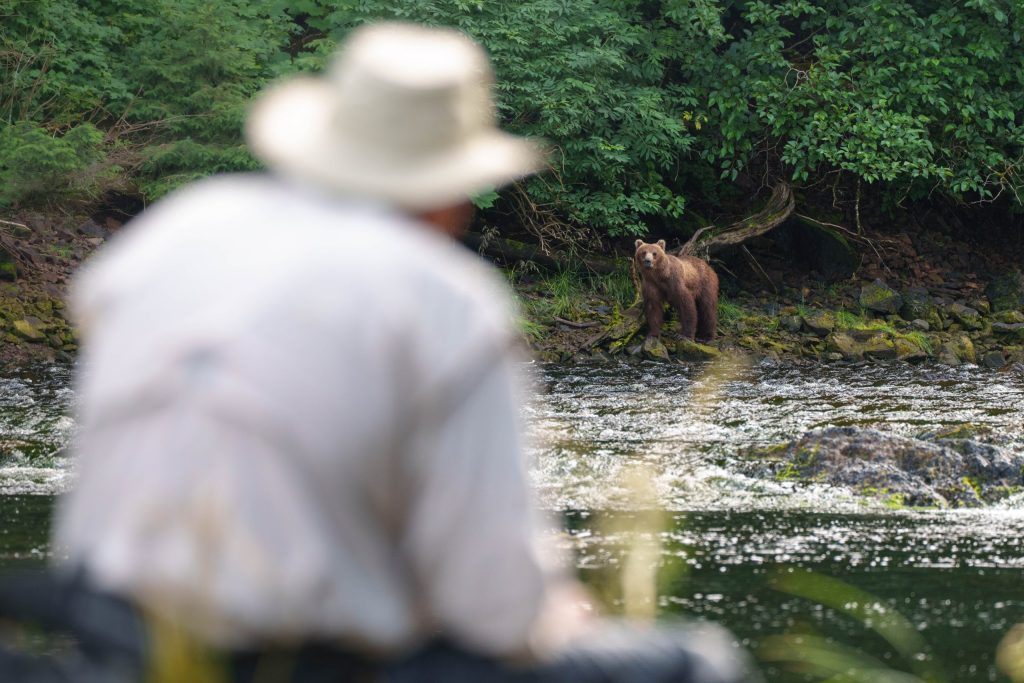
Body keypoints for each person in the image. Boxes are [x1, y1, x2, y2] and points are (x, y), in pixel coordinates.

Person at [3, 22, 756, 682]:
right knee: (697, 664)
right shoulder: (445, 299)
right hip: (295, 661)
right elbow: (500, 611)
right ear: (452, 193)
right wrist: (560, 613)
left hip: (104, 633)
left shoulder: (176, 230)